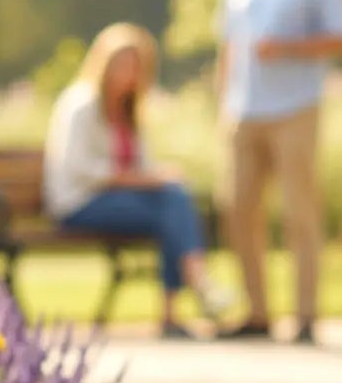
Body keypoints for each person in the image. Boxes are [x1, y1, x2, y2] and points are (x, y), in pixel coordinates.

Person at [215, 0, 342, 344]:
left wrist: (289, 47)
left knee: (299, 213)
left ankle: (306, 315)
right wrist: (222, 101)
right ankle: (257, 312)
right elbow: (228, 41)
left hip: (295, 108)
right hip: (243, 109)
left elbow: (340, 37)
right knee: (237, 209)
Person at [43, 23, 225, 339]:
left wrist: (158, 175)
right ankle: (196, 287)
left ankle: (179, 304)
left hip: (117, 200)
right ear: (104, 62)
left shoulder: (129, 110)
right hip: (80, 202)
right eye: (122, 64)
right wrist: (134, 179)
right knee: (170, 208)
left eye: (135, 66)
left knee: (174, 198)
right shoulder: (81, 104)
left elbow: (141, 164)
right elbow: (78, 168)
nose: (128, 73)